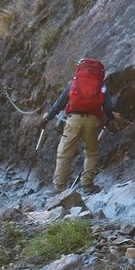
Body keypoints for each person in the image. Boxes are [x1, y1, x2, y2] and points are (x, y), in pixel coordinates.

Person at [39, 58, 121, 195]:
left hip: (73, 120)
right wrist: (110, 119)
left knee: (64, 153)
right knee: (91, 153)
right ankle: (87, 184)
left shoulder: (73, 83)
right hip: (93, 121)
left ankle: (59, 187)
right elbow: (107, 107)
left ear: (79, 69)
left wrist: (47, 118)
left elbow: (59, 104)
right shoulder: (101, 86)